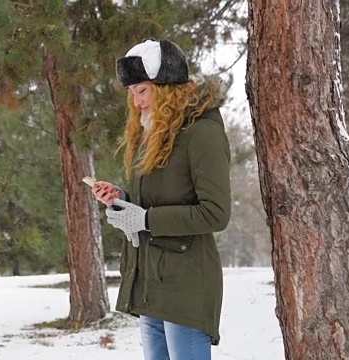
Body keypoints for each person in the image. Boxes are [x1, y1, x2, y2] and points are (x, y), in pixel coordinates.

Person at [91, 38, 232, 360]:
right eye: (132, 94)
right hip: (150, 281)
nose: (137, 102)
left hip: (185, 284)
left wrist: (145, 220)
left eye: (142, 90)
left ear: (166, 87)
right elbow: (152, 202)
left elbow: (216, 213)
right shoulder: (154, 135)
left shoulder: (202, 133)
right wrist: (121, 199)